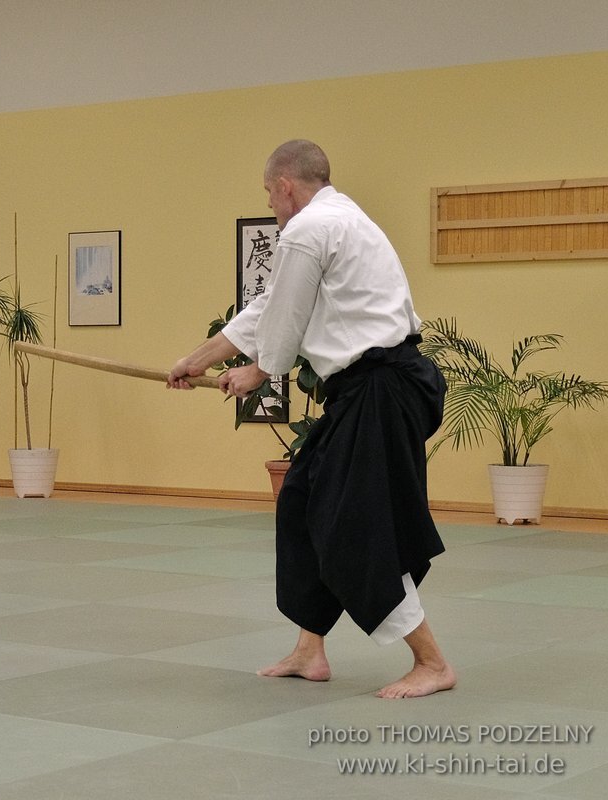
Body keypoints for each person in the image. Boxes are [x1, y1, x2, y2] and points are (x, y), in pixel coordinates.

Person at [168, 140, 455, 698]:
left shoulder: (308, 230)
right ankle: (309, 649)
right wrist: (194, 361)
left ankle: (432, 662)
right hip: (371, 388)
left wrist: (259, 372)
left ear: (285, 186)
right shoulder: (341, 217)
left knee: (356, 528)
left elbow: (279, 326)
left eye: (269, 195)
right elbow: (270, 307)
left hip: (381, 388)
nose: (272, 206)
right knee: (300, 500)